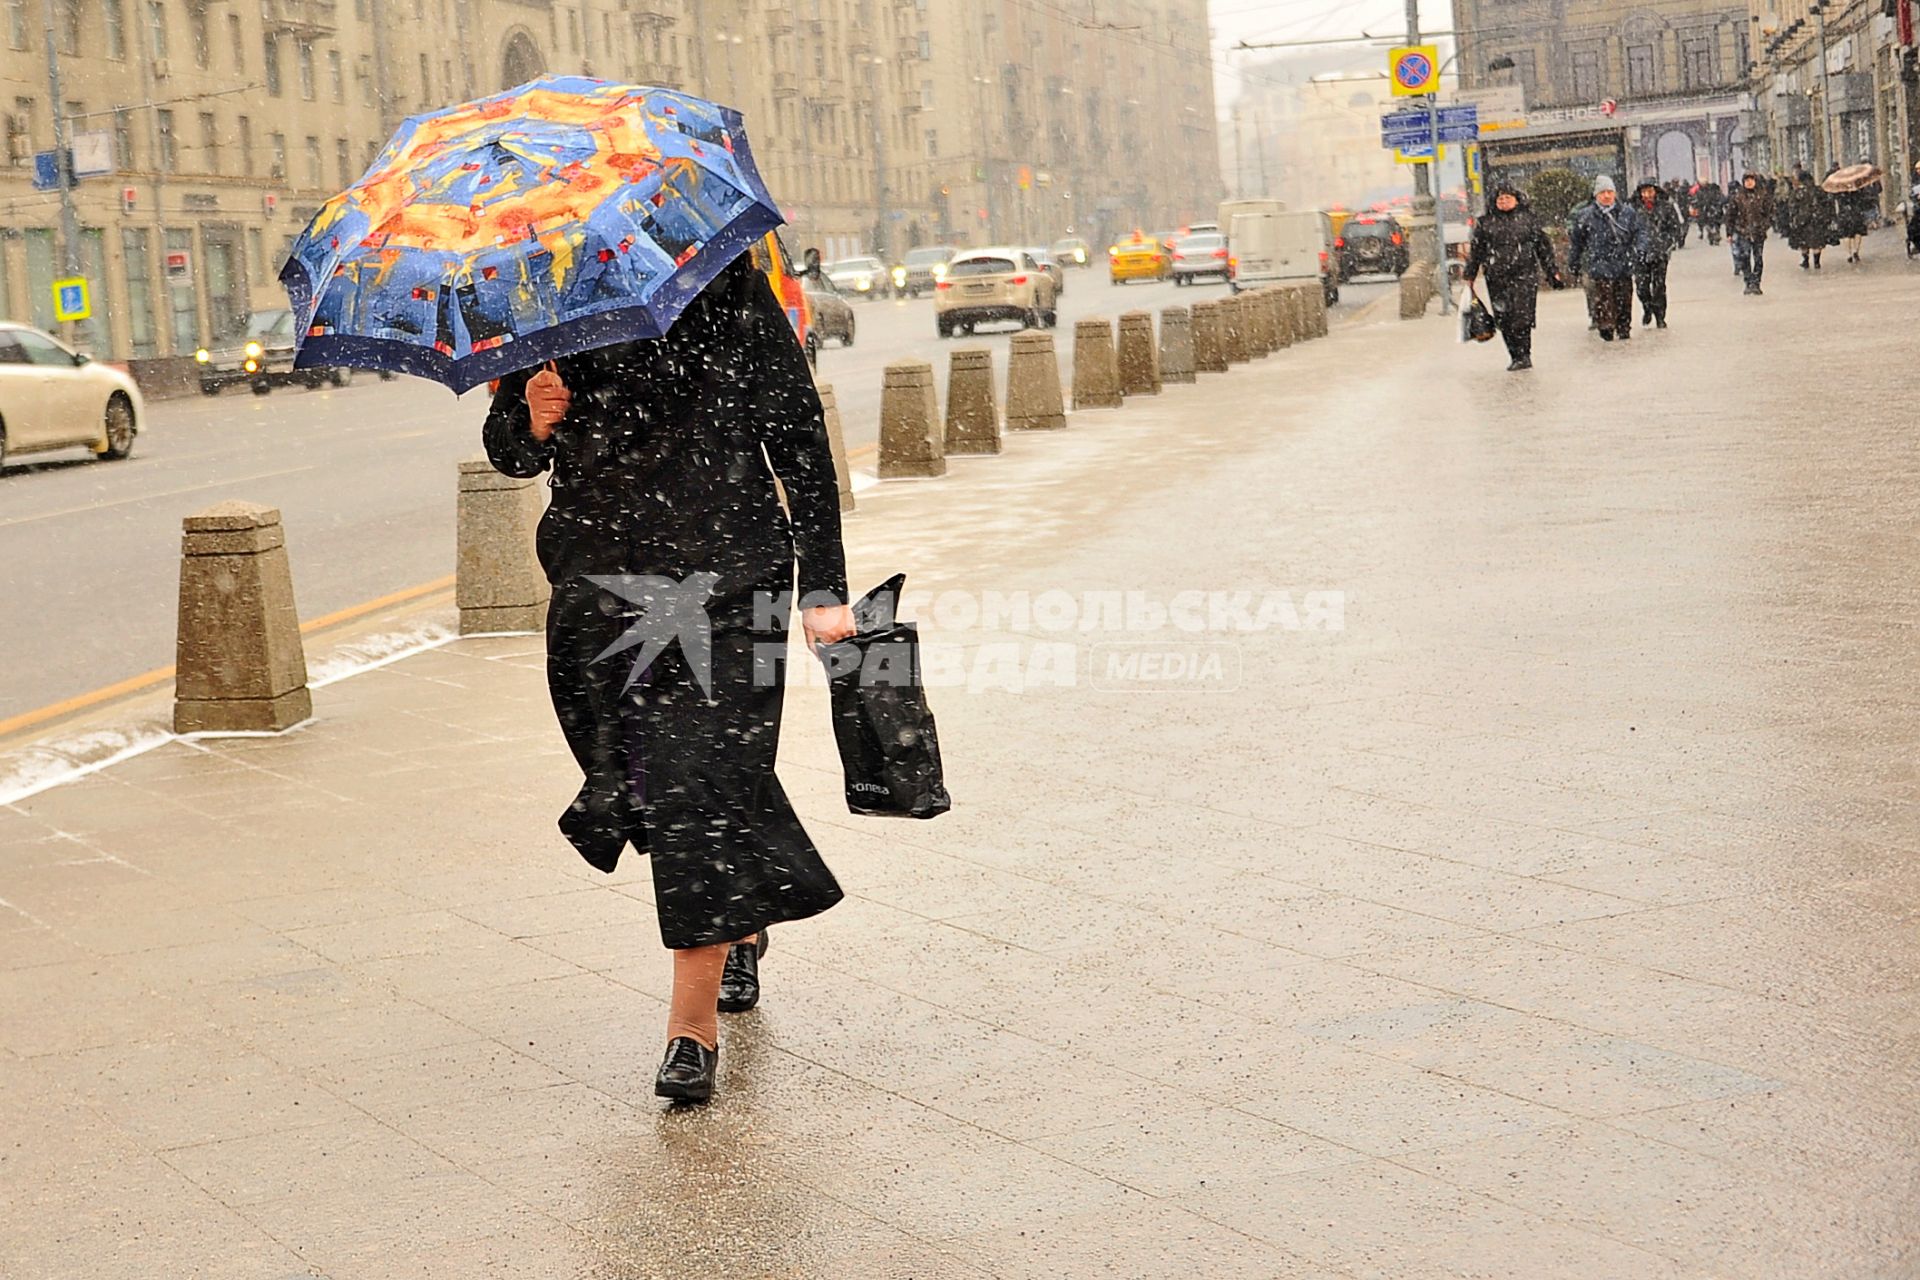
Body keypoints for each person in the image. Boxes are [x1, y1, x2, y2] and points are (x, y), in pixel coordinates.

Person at [483, 252, 856, 1106]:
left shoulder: (714, 276)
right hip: (601, 580)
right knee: (648, 780)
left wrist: (825, 588)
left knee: (695, 778)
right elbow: (507, 452)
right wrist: (531, 421)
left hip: (728, 570)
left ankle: (690, 1030)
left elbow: (795, 430)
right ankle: (738, 920)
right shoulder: (535, 294)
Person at [1463, 181, 1566, 372]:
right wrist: (1470, 273)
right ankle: (1514, 354)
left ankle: (1524, 354)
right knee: (1504, 318)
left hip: (1524, 275)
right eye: (1500, 198)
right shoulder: (1485, 223)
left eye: (1508, 197)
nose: (1503, 201)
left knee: (1522, 316)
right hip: (1497, 278)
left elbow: (1543, 248)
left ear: (1517, 200)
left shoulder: (1528, 220)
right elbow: (1476, 250)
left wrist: (1552, 271)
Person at [1567, 175, 1648, 341]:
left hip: (1623, 263)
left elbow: (1640, 232)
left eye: (1610, 192)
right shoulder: (1585, 216)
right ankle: (1606, 327)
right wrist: (1574, 262)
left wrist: (1640, 250)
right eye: (1602, 192)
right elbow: (1577, 242)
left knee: (1624, 298)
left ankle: (1624, 327)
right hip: (1600, 265)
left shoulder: (1627, 213)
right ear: (1596, 195)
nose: (1606, 196)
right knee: (1603, 298)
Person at [1631, 180, 1685, 329]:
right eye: (1644, 192)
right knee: (1641, 286)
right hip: (1639, 253)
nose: (1647, 195)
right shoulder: (1632, 208)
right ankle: (1647, 307)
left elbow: (1674, 227)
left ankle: (1660, 315)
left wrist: (1668, 243)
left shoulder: (1665, 207)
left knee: (1659, 286)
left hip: (1660, 252)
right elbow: (1628, 230)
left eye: (1650, 191)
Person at [1726, 171, 1776, 295]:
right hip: (1743, 232)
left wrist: (1764, 225)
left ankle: (1756, 282)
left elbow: (1770, 213)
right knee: (1745, 257)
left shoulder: (1763, 195)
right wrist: (1730, 232)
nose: (1749, 182)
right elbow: (1730, 215)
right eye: (1746, 180)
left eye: (1751, 180)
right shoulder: (1738, 197)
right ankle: (1748, 281)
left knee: (1758, 258)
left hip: (1759, 232)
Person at [1788, 170, 1833, 271]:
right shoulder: (1818, 190)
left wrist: (1794, 218)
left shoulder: (1798, 192)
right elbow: (1827, 203)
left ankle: (1806, 261)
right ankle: (1817, 262)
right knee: (1816, 242)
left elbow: (1792, 206)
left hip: (1802, 220)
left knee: (1804, 243)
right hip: (1817, 220)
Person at [1834, 165, 1879, 264]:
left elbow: (1836, 201)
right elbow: (1863, 199)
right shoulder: (1858, 188)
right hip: (1856, 212)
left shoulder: (1839, 190)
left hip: (1844, 214)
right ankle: (1856, 250)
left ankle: (1848, 254)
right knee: (1858, 232)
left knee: (1846, 235)